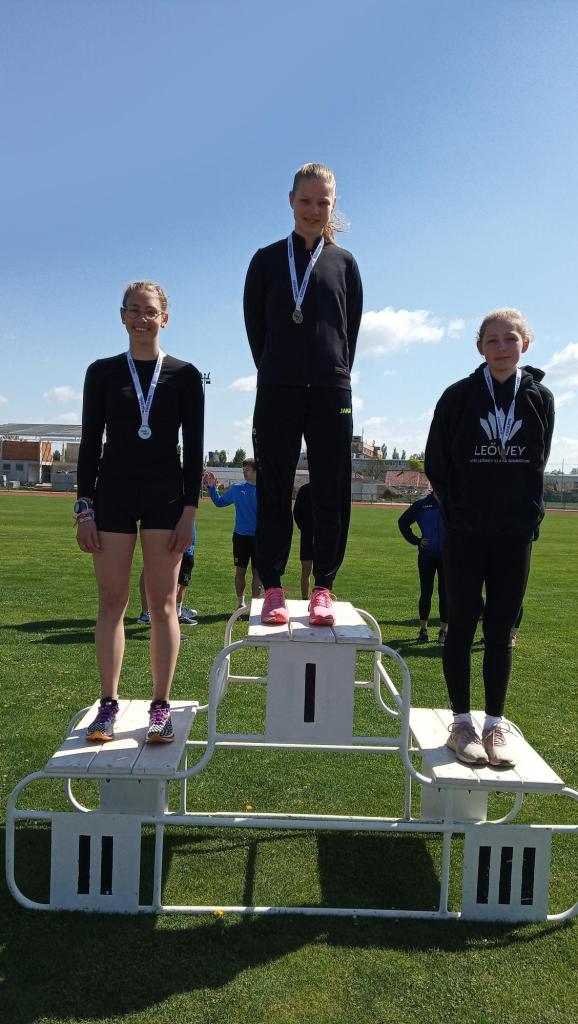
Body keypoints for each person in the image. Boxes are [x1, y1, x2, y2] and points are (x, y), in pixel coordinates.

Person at [75, 281, 204, 743]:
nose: (141, 318)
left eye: (150, 311)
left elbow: (194, 449)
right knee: (112, 602)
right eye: (133, 310)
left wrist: (189, 512)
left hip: (165, 497)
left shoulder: (185, 375)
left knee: (163, 603)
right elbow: (90, 443)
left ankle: (160, 707)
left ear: (164, 318)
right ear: (122, 316)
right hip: (112, 493)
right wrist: (84, 508)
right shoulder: (102, 372)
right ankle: (107, 706)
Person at [425, 308, 554, 768]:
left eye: (510, 339)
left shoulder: (540, 398)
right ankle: (461, 723)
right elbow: (436, 462)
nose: (502, 347)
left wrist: (526, 515)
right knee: (461, 625)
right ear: (479, 346)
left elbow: (537, 461)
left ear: (525, 344)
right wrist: (458, 511)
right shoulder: (458, 396)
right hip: (465, 533)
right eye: (493, 340)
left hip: (514, 535)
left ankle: (495, 723)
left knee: (501, 630)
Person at [244, 162, 363, 627]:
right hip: (278, 388)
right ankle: (273, 586)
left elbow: (349, 332)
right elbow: (256, 329)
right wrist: (279, 369)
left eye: (323, 202)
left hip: (331, 389)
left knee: (331, 490)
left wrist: (332, 370)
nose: (314, 210)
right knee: (274, 487)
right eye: (306, 201)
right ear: (291, 201)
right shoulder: (266, 260)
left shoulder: (345, 263)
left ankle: (323, 588)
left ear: (333, 205)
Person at [203, 459, 260, 607]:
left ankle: (255, 607)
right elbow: (219, 502)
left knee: (258, 574)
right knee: (240, 571)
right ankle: (240, 604)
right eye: (243, 470)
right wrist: (211, 488)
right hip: (241, 537)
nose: (244, 473)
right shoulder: (237, 489)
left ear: (256, 471)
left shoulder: (266, 490)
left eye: (247, 470)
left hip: (260, 539)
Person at [398, 490, 447, 644]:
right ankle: (423, 630)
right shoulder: (422, 503)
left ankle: (443, 631)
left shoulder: (452, 502)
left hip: (447, 557)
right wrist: (416, 540)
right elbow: (403, 522)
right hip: (427, 555)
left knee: (445, 594)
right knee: (426, 592)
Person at [138, 525, 198, 625]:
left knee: (151, 567)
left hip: (160, 527)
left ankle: (149, 614)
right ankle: (171, 614)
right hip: (170, 528)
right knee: (167, 571)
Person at [293, 482, 314, 599]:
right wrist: (304, 527)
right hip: (308, 535)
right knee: (306, 569)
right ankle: (305, 599)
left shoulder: (328, 487)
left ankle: (319, 599)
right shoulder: (305, 489)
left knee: (322, 572)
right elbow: (297, 512)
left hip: (322, 537)